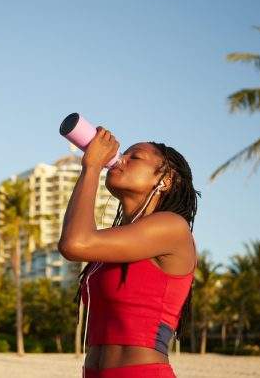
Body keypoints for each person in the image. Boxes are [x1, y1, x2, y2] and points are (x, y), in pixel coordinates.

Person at [58, 126, 200, 378]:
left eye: (134, 157)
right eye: (124, 153)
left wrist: (91, 167)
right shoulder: (115, 242)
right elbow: (77, 240)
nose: (120, 159)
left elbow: (75, 243)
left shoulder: (172, 227)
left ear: (165, 179)